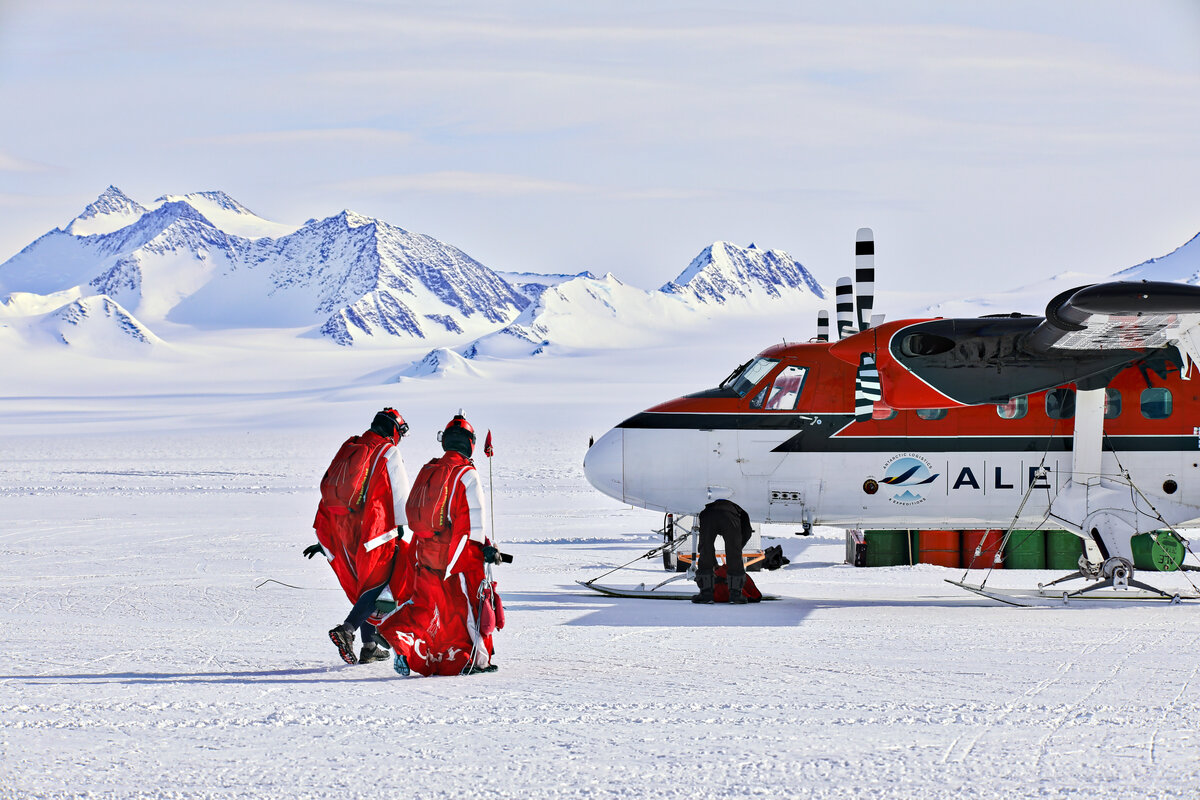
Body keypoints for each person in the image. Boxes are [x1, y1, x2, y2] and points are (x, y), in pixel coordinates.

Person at [377, 413, 500, 676]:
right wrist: (480, 553)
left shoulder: (429, 470)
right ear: (470, 443)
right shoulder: (466, 474)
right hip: (452, 560)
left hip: (424, 554)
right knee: (463, 612)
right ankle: (470, 660)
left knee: (426, 608)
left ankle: (399, 637)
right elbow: (470, 527)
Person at [305, 408, 411, 664]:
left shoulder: (351, 445)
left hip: (339, 526)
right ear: (394, 431)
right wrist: (399, 526)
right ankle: (347, 629)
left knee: (365, 584)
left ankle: (370, 645)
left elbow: (329, 483)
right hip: (372, 528)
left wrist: (324, 536)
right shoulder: (388, 451)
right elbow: (400, 494)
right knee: (378, 583)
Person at [691, 499, 753, 604]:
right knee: (734, 554)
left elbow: (705, 546)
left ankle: (706, 595)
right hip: (730, 517)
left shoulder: (710, 507)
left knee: (705, 550)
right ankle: (736, 596)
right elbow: (747, 532)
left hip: (708, 515)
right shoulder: (741, 511)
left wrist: (713, 563)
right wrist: (737, 548)